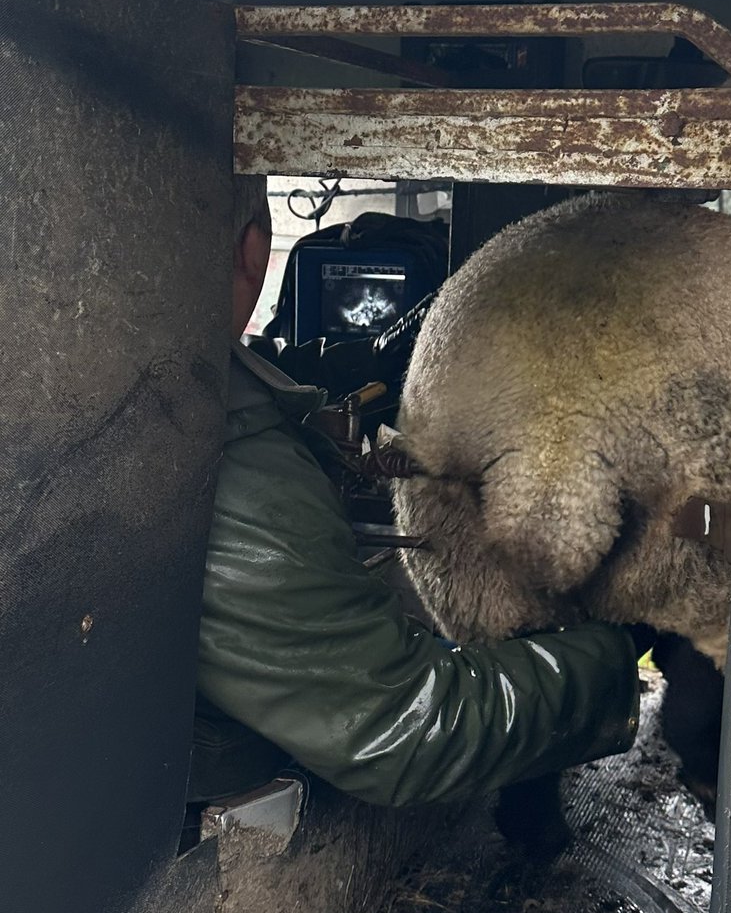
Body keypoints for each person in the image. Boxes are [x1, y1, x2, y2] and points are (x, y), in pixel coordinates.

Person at [192, 174, 640, 816]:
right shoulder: (232, 462)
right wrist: (620, 654)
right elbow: (403, 728)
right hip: (182, 803)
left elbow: (272, 366)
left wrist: (382, 353)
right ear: (254, 251)